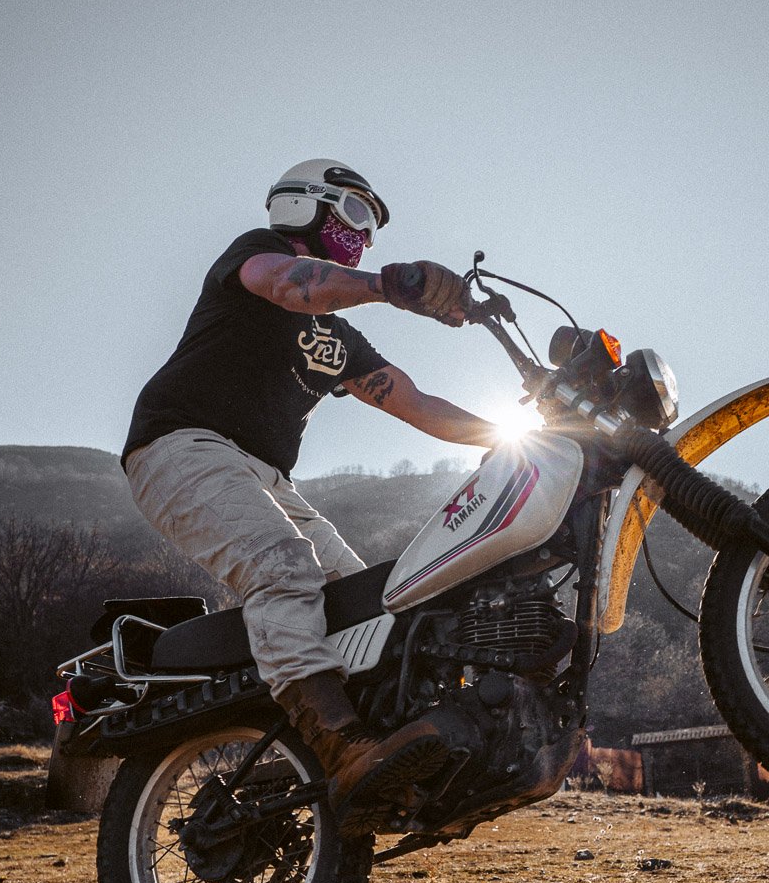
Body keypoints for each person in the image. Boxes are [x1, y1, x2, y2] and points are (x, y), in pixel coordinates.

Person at [121, 158, 497, 825]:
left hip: (264, 473)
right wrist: (391, 283)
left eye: (372, 232)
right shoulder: (259, 254)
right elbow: (293, 284)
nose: (364, 237)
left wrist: (525, 436)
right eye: (355, 214)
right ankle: (340, 744)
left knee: (368, 607)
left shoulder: (339, 338)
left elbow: (417, 405)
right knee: (283, 566)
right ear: (303, 206)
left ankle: (318, 766)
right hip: (181, 444)